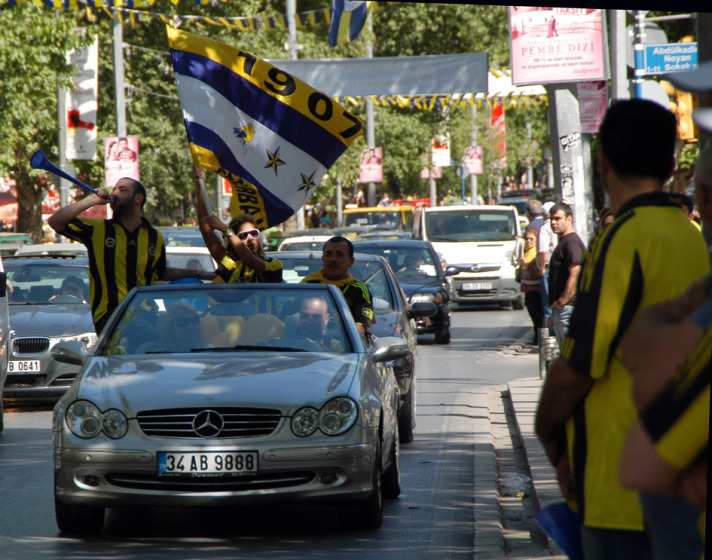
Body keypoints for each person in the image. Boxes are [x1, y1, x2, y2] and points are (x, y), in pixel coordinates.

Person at [534, 99, 710, 560]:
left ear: (603, 163)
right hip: (679, 478)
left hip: (620, 491)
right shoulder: (690, 236)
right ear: (673, 164)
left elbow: (577, 367)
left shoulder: (622, 238)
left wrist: (547, 430)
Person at [48, 177, 209, 335]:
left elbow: (160, 272)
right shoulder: (98, 229)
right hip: (111, 314)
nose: (115, 193)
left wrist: (202, 274)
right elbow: (56, 222)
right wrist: (90, 201)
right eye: (114, 189)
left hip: (146, 311)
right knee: (156, 338)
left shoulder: (154, 237)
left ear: (138, 198)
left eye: (122, 189)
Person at [192, 167, 282, 284]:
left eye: (254, 234)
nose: (250, 239)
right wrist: (201, 185)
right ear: (233, 240)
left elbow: (250, 261)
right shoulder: (230, 264)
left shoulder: (274, 264)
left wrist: (226, 230)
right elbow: (205, 227)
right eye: (243, 236)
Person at [301, 236, 375, 337]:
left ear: (351, 262)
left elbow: (363, 327)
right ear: (323, 259)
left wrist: (335, 336)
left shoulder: (359, 290)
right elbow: (287, 318)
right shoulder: (307, 285)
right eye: (329, 254)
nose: (333, 259)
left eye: (339, 255)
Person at [547, 202, 585, 348]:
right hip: (563, 309)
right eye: (551, 219)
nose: (553, 222)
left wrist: (562, 303)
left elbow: (575, 275)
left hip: (569, 308)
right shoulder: (564, 242)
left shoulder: (571, 243)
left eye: (557, 218)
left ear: (569, 219)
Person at [519, 226, 544, 345]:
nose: (528, 242)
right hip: (528, 290)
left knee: (538, 316)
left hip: (536, 290)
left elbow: (536, 273)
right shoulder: (527, 253)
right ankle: (537, 337)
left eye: (531, 239)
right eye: (526, 239)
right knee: (534, 316)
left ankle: (539, 339)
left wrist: (527, 266)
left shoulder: (535, 254)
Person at [537, 201, 557, 328]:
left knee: (548, 302)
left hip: (548, 267)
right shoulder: (558, 226)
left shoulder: (544, 228)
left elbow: (542, 251)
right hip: (556, 266)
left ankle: (551, 332)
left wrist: (541, 267)